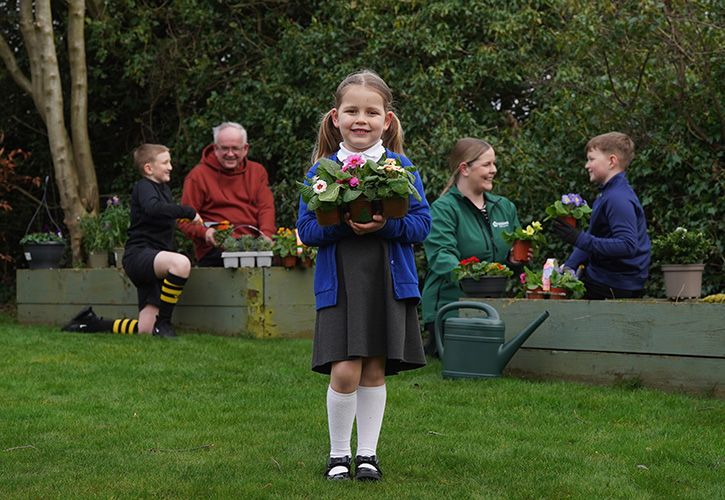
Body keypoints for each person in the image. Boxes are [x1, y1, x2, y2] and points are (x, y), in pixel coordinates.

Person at [296, 70, 431, 481]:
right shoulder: (323, 170)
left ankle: (367, 455)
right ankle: (339, 454)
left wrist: (383, 224)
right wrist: (342, 223)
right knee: (345, 369)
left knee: (374, 368)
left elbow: (422, 225)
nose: (361, 119)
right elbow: (307, 230)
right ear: (335, 117)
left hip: (387, 283)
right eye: (352, 111)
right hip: (341, 285)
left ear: (386, 120)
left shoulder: (400, 167)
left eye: (371, 112)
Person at [62, 144, 202, 337]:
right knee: (181, 263)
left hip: (154, 261)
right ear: (148, 168)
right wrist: (187, 211)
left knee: (145, 329)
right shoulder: (144, 186)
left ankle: (90, 323)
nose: (171, 167)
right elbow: (153, 209)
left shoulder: (164, 191)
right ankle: (164, 324)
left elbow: (161, 217)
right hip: (140, 257)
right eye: (166, 162)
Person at [421, 138, 530, 356]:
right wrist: (474, 278)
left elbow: (513, 254)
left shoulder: (504, 207)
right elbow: (442, 256)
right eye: (487, 164)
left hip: (494, 309)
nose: (494, 170)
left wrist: (514, 261)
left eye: (494, 164)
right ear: (465, 168)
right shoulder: (443, 209)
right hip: (450, 309)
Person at [551, 132, 650, 299]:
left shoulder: (617, 198)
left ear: (612, 161)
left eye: (591, 159)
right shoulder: (608, 194)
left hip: (614, 285)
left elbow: (627, 245)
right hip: (608, 281)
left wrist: (579, 238)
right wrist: (568, 267)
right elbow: (595, 236)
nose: (586, 165)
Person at [179, 122, 276, 266]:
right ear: (215, 148)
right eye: (224, 148)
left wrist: (266, 235)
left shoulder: (257, 172)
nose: (230, 154)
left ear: (245, 149)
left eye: (235, 148)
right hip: (216, 248)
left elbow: (266, 208)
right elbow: (184, 219)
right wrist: (205, 233)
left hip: (255, 245)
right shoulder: (198, 176)